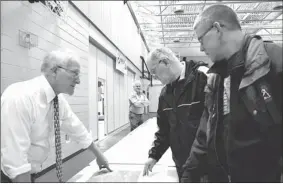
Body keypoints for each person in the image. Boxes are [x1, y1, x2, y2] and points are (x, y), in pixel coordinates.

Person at [181, 4, 282, 183]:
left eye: (201, 40)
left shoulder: (272, 62)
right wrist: (189, 174)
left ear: (218, 29)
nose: (201, 48)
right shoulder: (216, 77)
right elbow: (205, 131)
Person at [1, 49, 112, 183]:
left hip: (29, 175)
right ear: (54, 71)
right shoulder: (20, 98)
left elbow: (76, 128)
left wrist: (99, 155)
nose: (78, 81)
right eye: (74, 73)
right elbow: (16, 162)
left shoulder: (58, 101)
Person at [142, 47, 208, 182]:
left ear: (165, 62)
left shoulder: (203, 77)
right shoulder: (165, 94)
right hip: (182, 164)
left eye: (154, 72)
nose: (154, 77)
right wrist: (154, 156)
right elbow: (165, 130)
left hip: (207, 165)